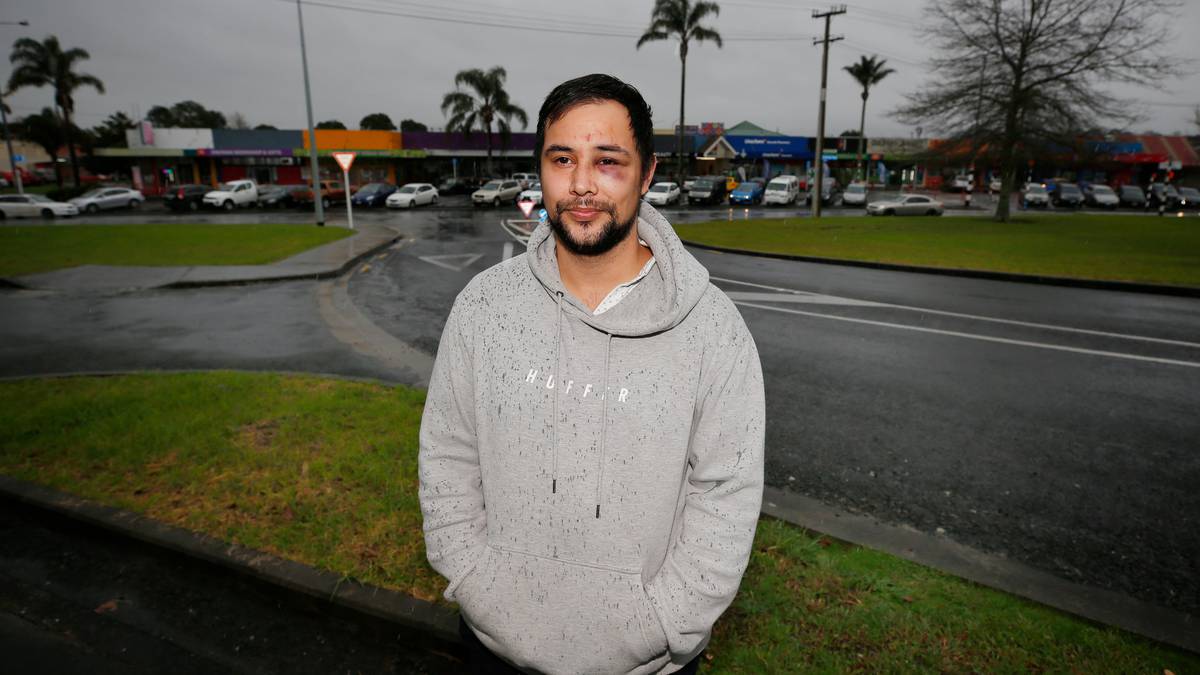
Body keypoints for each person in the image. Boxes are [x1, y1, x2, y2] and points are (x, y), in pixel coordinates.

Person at [418, 73, 765, 675]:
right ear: (541, 171)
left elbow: (726, 493)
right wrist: (475, 579)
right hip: (493, 647)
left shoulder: (714, 329)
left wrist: (662, 621)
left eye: (608, 161)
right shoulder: (483, 306)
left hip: (646, 664)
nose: (581, 184)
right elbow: (448, 453)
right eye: (562, 159)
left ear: (646, 174)